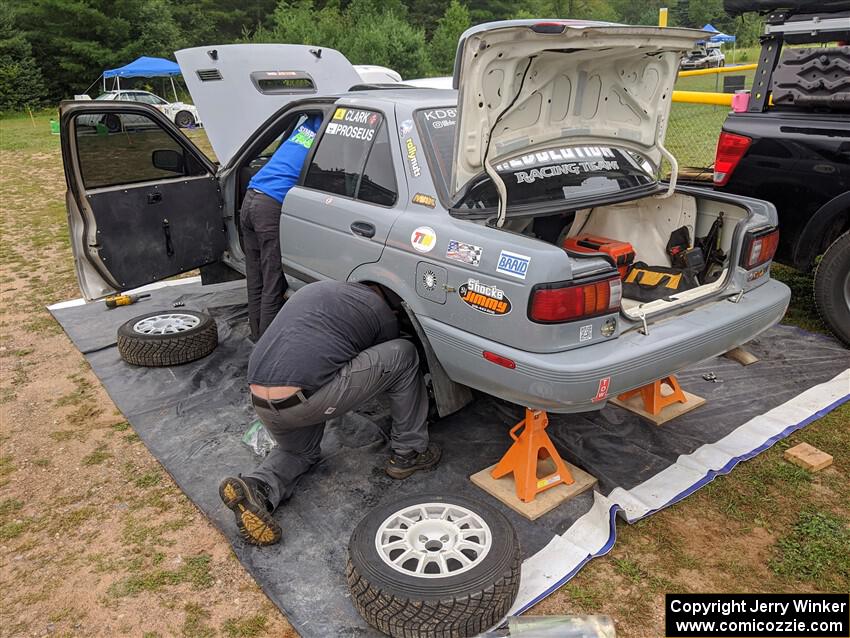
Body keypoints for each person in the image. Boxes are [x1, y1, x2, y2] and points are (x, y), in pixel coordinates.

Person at [219, 281, 441, 546]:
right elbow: (385, 368)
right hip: (307, 398)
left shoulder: (316, 290)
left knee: (299, 452)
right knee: (404, 355)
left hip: (262, 399)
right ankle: (410, 452)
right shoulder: (380, 310)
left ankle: (258, 487)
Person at [241, 113, 323, 341]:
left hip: (250, 198)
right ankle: (267, 348)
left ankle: (256, 337)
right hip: (270, 206)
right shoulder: (329, 129)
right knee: (273, 281)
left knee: (256, 277)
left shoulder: (307, 125)